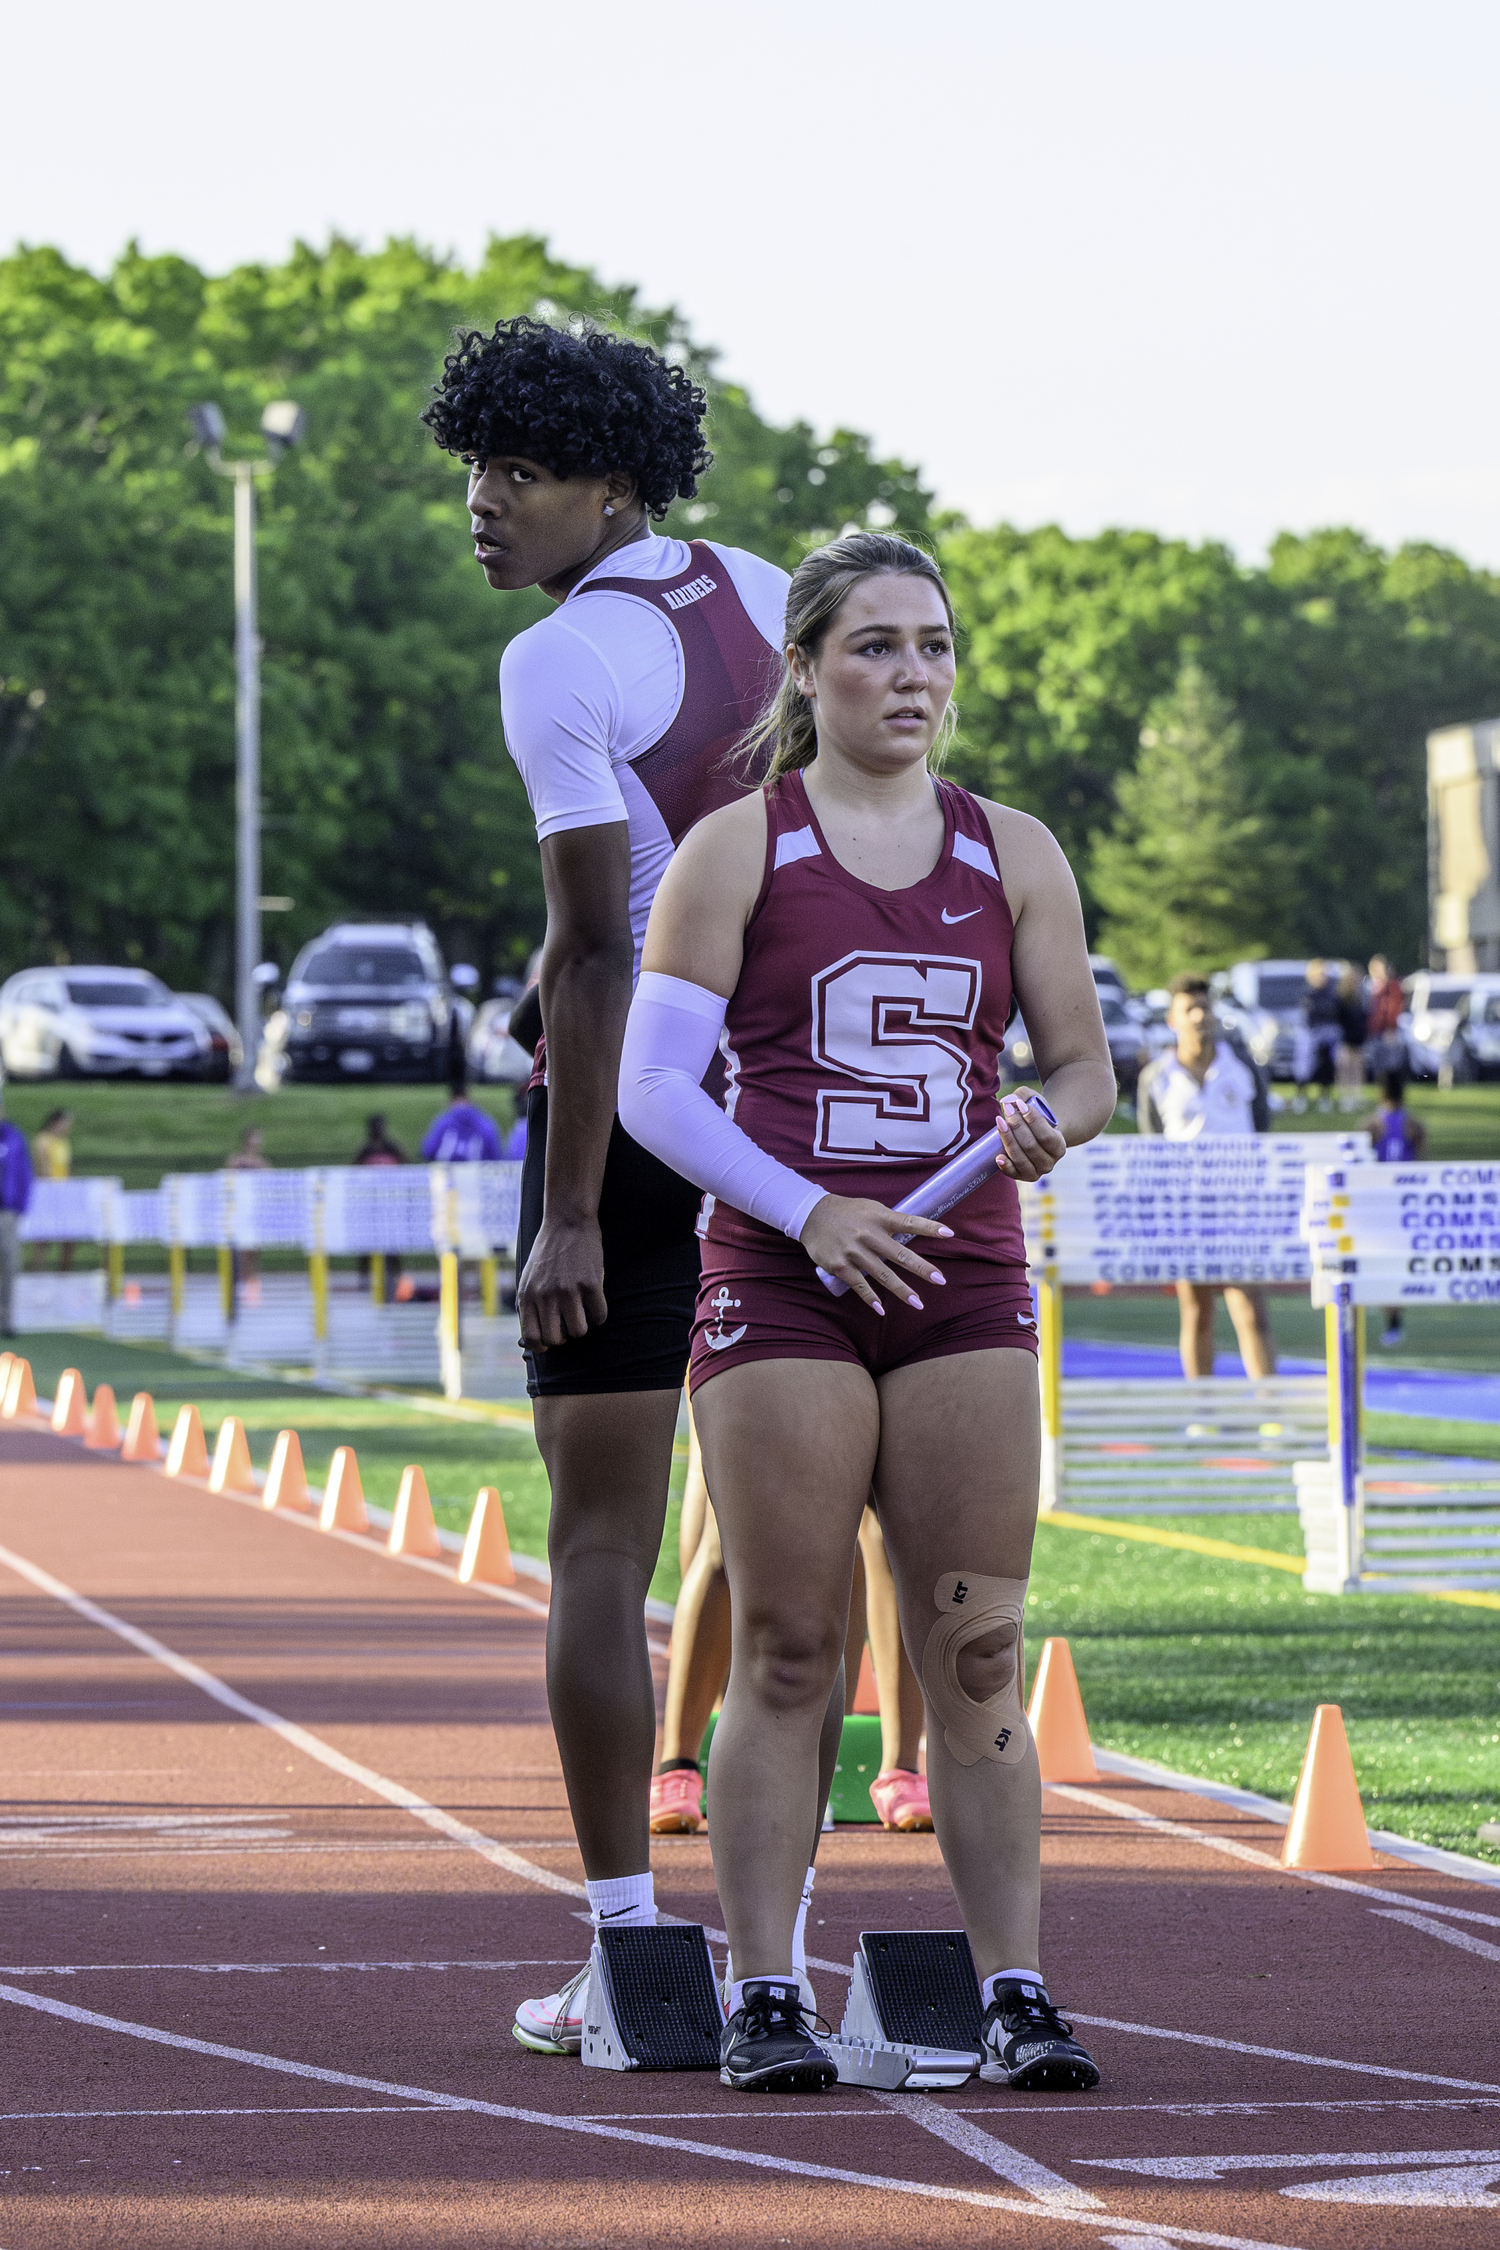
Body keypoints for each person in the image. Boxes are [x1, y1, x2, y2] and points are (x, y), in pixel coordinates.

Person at [619, 531, 1116, 2094]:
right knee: (788, 1639)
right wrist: (808, 1209)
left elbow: (1088, 1066)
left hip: (960, 1271)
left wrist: (1053, 1121)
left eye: (936, 647)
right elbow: (649, 1088)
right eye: (880, 646)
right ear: (807, 666)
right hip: (786, 1274)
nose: (915, 675)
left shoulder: (1012, 847)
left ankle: (1016, 1985)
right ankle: (765, 1984)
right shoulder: (739, 845)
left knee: (976, 1645)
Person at [424, 315, 813, 2058]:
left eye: (516, 473)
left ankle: (626, 1948)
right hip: (802, 1126)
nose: (483, 507)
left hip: (645, 1145)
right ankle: (777, 1959)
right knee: (799, 1562)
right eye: (475, 471)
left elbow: (598, 960)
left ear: (610, 480)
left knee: (600, 1551)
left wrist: (570, 1211)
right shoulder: (768, 588)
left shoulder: (555, 663)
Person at [1136, 973, 1276, 1380]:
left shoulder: (1242, 1065)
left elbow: (1262, 1125)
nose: (1199, 1016)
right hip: (1188, 1212)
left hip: (1240, 1208)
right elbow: (1153, 1148)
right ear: (1172, 1019)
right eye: (1189, 1009)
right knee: (1197, 1312)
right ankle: (1203, 1414)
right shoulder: (1156, 1078)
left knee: (1251, 1308)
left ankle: (1270, 1413)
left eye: (1205, 1007)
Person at [1367, 1069, 1426, 1347]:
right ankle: (1394, 1322)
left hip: (1380, 1204)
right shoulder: (1414, 1125)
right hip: (1405, 1203)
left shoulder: (1370, 1125)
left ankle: (1391, 1322)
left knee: (1382, 1264)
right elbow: (1421, 1166)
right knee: (1400, 1264)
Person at [353, 1114, 407, 1302]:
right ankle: (365, 1279)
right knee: (367, 1244)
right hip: (370, 1203)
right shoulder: (364, 1151)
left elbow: (405, 1165)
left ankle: (397, 1278)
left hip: (390, 1203)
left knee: (393, 1245)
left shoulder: (393, 1148)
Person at [0, 1093, 33, 1337]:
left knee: (9, 1264)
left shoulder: (13, 1137)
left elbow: (23, 1173)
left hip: (7, 1212)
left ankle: (6, 1320)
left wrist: (20, 1205)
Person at [224, 1125, 270, 1297]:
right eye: (254, 1137)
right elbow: (227, 1180)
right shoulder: (236, 1161)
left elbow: (269, 1183)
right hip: (239, 1208)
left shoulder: (262, 1163)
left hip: (255, 1208)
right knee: (240, 1244)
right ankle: (239, 1276)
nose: (258, 1141)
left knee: (254, 1246)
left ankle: (251, 1276)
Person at [27, 1107, 74, 1272]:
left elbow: (67, 1169)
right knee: (42, 1238)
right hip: (47, 1193)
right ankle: (37, 1270)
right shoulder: (43, 1140)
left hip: (63, 1193)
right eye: (65, 1124)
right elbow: (43, 1169)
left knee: (69, 1235)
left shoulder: (63, 1143)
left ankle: (64, 1271)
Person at [420, 1073, 502, 1163]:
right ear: (469, 1098)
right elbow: (495, 1155)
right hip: (478, 1174)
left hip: (446, 1173)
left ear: (450, 1100)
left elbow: (428, 1150)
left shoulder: (442, 1121)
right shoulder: (486, 1123)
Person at [1293, 960, 1341, 1112]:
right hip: (1310, 1032)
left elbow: (1333, 1011)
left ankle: (1324, 1096)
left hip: (1327, 1033)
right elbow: (1308, 1014)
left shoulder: (1331, 993)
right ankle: (1301, 1096)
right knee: (1304, 1066)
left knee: (1326, 1065)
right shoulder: (1307, 992)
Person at [1363, 955, 1406, 1078]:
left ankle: (1390, 1092)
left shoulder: (1392, 986)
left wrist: (1391, 1027)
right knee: (1377, 1064)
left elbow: (1395, 1007)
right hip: (1373, 1030)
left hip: (1387, 1031)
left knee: (1389, 1065)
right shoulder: (1370, 986)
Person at [1335, 965, 1367, 1111]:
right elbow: (1339, 1018)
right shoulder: (1342, 997)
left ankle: (1355, 1095)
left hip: (1358, 1037)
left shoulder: (1361, 996)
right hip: (1345, 1038)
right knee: (1346, 1068)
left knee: (1356, 1068)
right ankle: (1345, 1097)